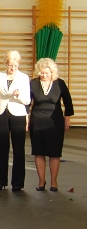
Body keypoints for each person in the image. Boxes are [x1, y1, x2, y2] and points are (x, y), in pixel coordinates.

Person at [28, 58, 74, 192]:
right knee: (39, 152)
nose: (44, 75)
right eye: (42, 73)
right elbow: (26, 102)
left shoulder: (59, 83)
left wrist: (67, 118)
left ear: (52, 72)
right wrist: (26, 118)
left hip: (55, 122)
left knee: (54, 152)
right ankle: (41, 181)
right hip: (37, 121)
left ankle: (54, 181)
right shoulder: (33, 83)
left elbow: (68, 101)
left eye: (47, 73)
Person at [0, 50, 30, 191]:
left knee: (18, 149)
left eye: (15, 65)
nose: (12, 68)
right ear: (6, 64)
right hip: (1, 113)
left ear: (19, 64)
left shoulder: (23, 77)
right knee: (2, 148)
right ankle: (1, 181)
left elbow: (27, 100)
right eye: (10, 65)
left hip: (18, 114)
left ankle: (17, 183)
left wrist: (18, 95)